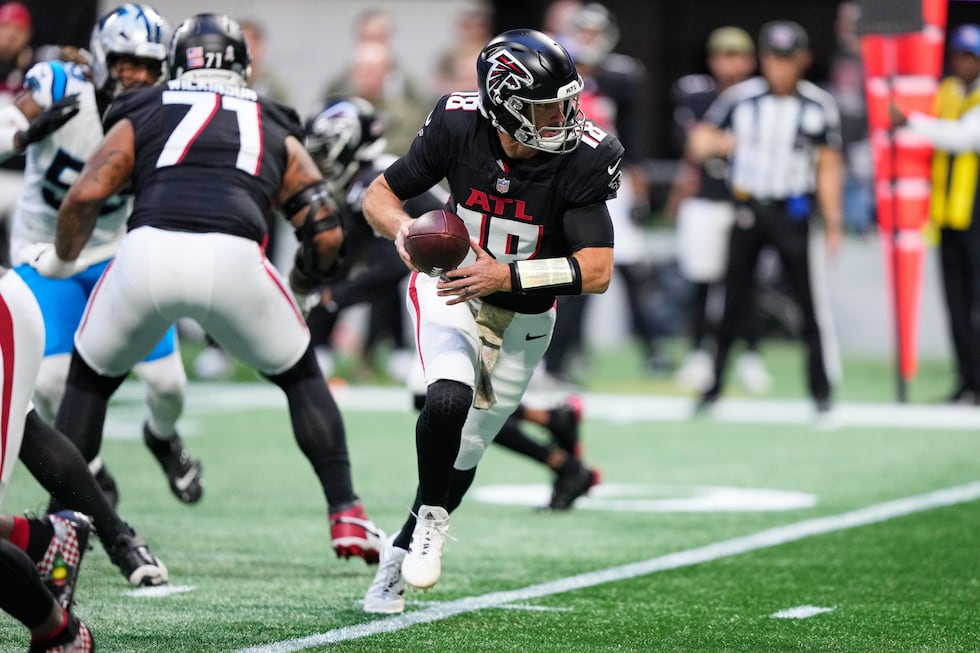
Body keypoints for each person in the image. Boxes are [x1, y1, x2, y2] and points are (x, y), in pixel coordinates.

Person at [33, 12, 383, 565]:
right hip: (236, 260)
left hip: (147, 256)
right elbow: (323, 223)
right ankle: (345, 511)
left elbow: (83, 197)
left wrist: (61, 258)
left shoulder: (145, 107)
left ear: (176, 63)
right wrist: (301, 284)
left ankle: (62, 533)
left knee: (88, 384)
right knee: (299, 375)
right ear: (241, 66)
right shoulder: (269, 117)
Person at [360, 28, 621, 613]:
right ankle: (430, 521)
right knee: (446, 399)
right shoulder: (457, 124)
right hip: (451, 288)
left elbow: (598, 269)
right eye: (546, 107)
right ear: (503, 105)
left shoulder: (583, 155)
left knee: (468, 451)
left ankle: (401, 547)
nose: (563, 115)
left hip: (527, 314)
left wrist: (506, 277)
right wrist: (405, 233)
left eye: (564, 101)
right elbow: (379, 194)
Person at [306, 96, 599, 510]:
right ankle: (552, 429)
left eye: (323, 152)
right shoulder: (368, 181)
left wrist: (333, 299)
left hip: (466, 286)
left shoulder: (369, 182)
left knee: (442, 404)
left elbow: (393, 263)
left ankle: (555, 455)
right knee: (445, 402)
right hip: (452, 286)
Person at [7, 4, 203, 509]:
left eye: (148, 66)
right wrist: (21, 134)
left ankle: (161, 438)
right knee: (50, 381)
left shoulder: (163, 112)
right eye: (125, 62)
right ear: (100, 56)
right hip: (46, 252)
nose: (137, 75)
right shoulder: (58, 84)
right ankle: (87, 466)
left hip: (118, 251)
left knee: (168, 384)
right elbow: (9, 123)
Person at [688, 20, 843, 415]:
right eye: (773, 58)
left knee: (810, 305)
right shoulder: (741, 99)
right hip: (748, 208)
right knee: (731, 299)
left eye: (788, 59)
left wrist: (834, 221)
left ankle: (821, 393)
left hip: (793, 210)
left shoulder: (818, 104)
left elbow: (828, 164)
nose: (779, 67)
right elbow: (698, 143)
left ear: (803, 60)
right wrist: (720, 144)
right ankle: (713, 390)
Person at [544, 2, 666, 381]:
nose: (589, 41)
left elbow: (633, 139)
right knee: (570, 273)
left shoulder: (619, 78)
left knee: (627, 266)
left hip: (612, 184)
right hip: (565, 185)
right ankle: (562, 357)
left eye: (595, 33)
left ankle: (651, 348)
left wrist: (639, 190)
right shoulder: (552, 78)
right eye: (584, 32)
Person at [668, 26, 772, 395]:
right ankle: (698, 355)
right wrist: (733, 143)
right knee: (701, 282)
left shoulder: (760, 96)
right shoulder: (697, 92)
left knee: (746, 286)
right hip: (706, 199)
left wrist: (724, 143)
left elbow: (764, 147)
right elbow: (696, 146)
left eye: (735, 54)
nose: (728, 62)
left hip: (746, 201)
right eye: (721, 54)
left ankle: (751, 357)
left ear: (749, 60)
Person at [890, 23, 980, 405]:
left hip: (977, 218)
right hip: (946, 218)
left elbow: (963, 137)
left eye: (972, 56)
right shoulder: (944, 92)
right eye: (960, 54)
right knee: (956, 306)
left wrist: (910, 121)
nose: (964, 62)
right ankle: (967, 380)